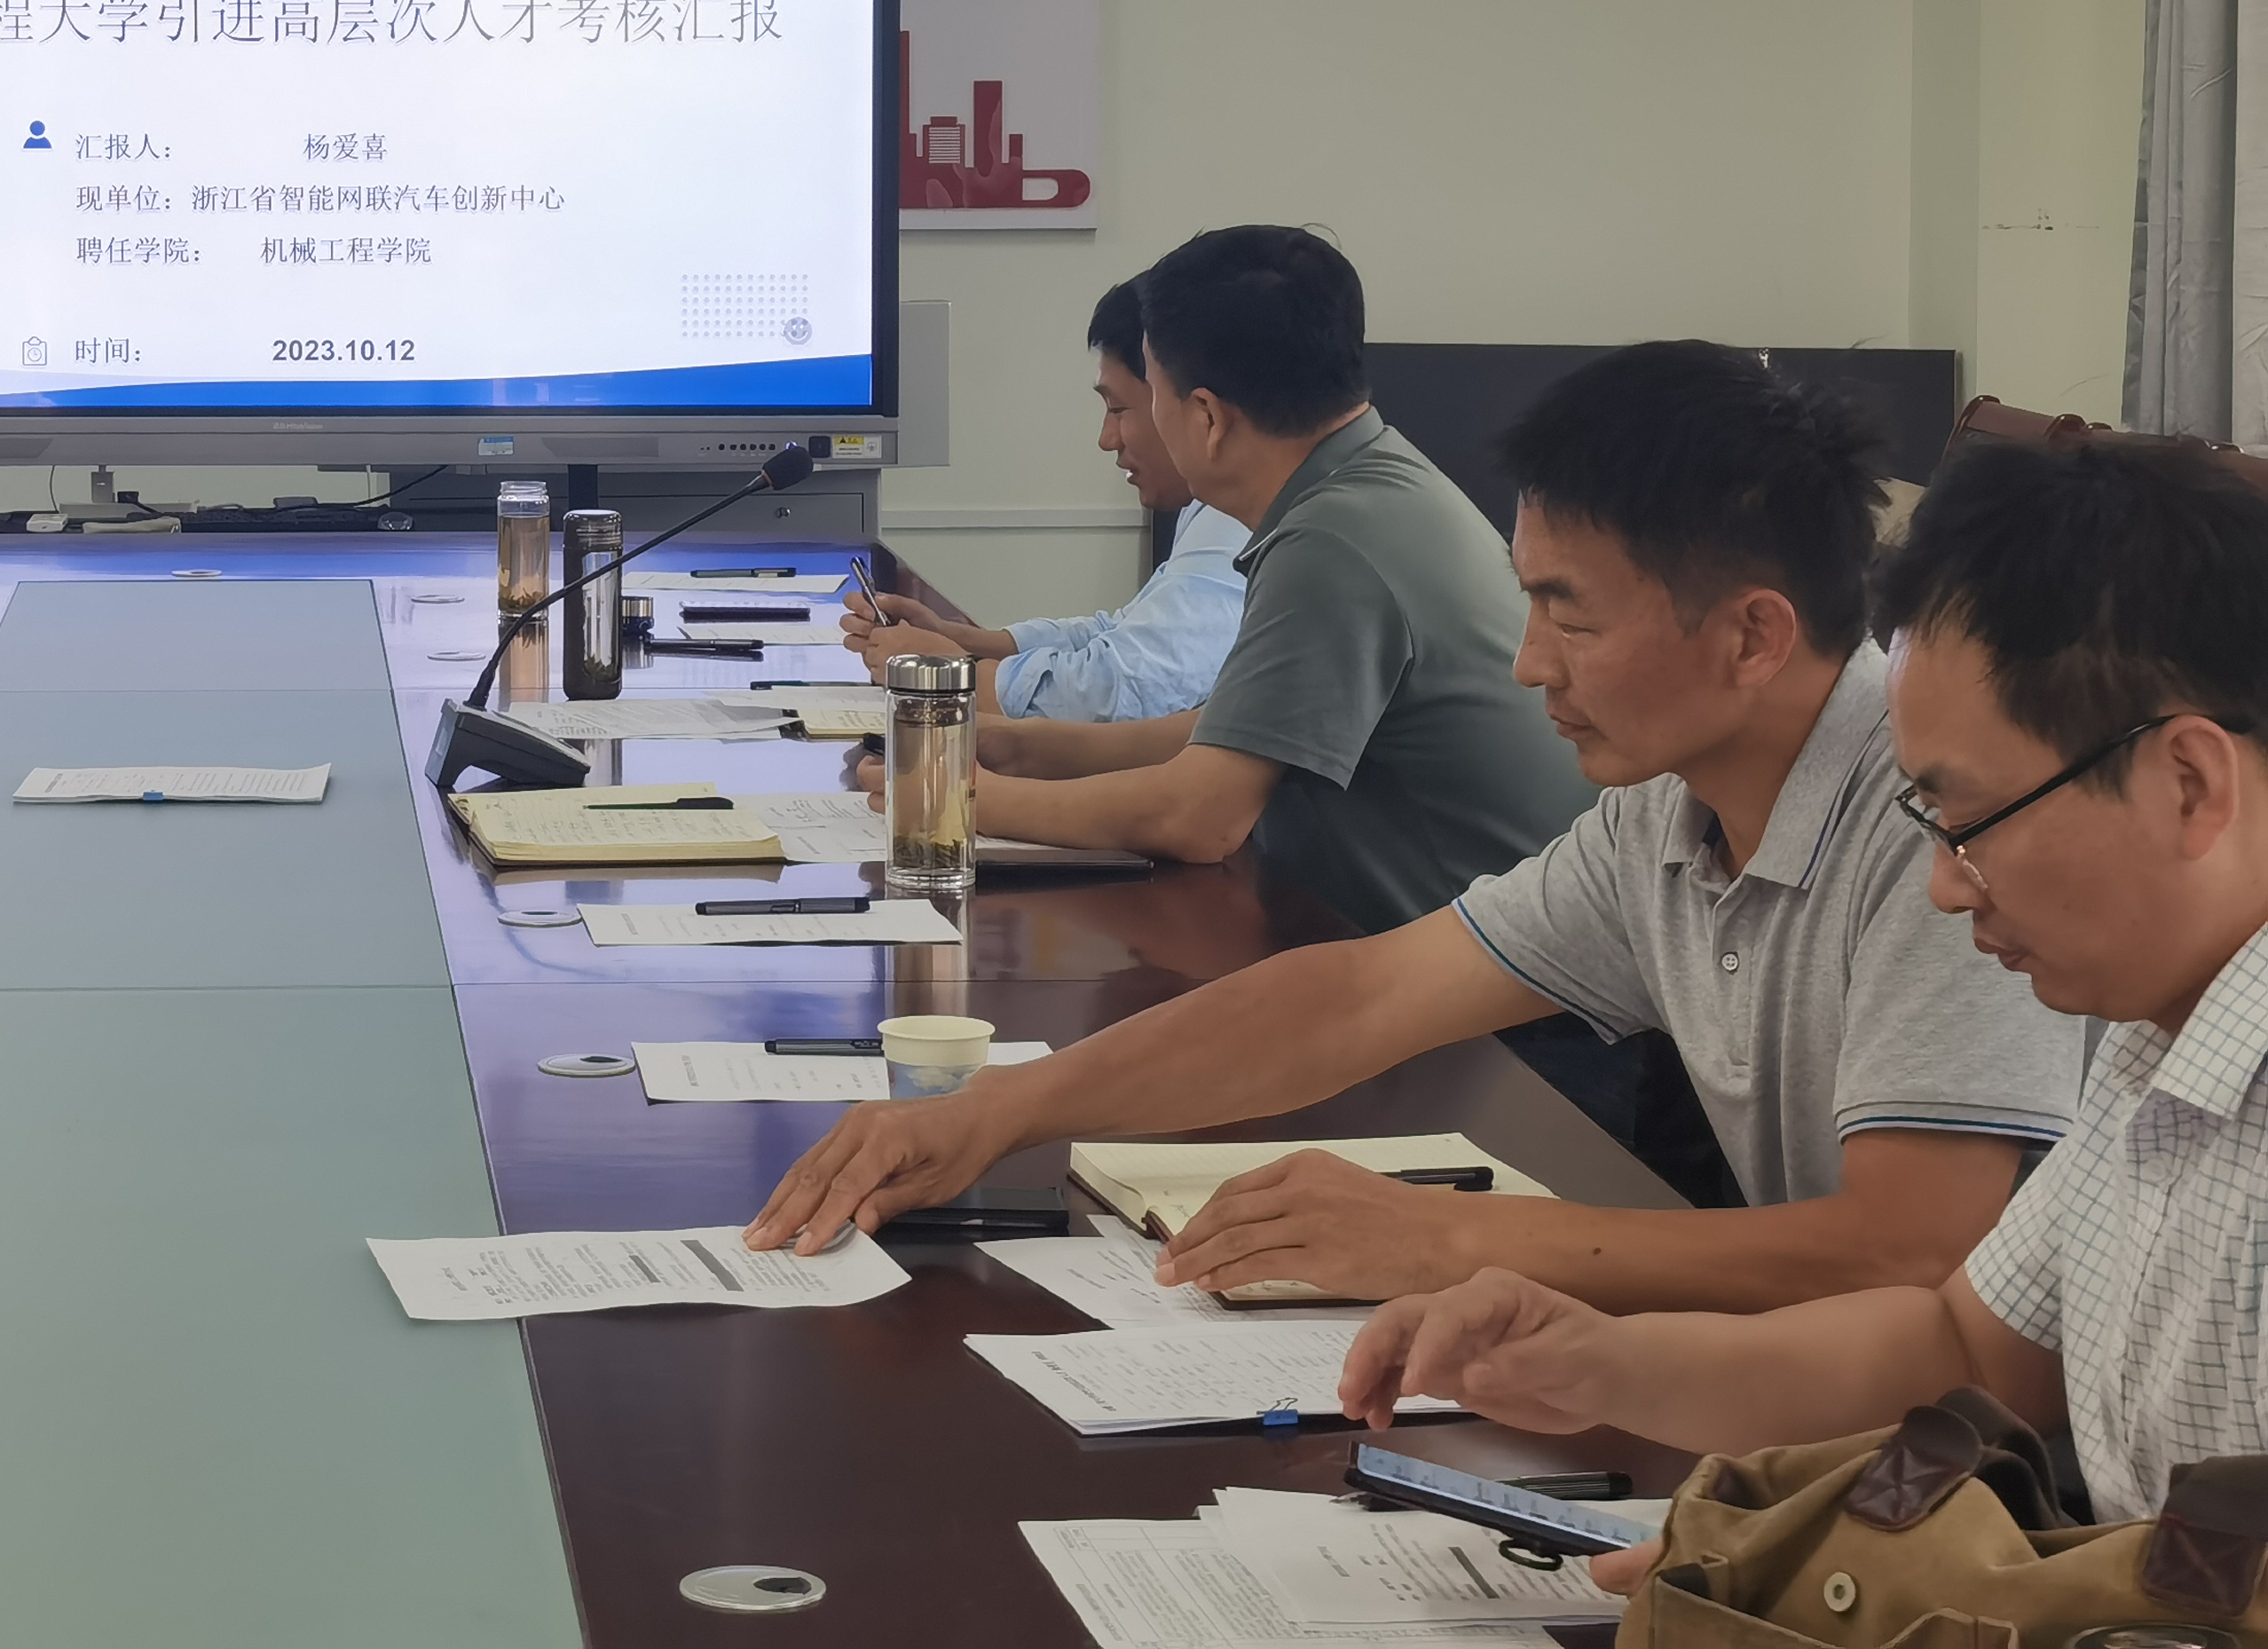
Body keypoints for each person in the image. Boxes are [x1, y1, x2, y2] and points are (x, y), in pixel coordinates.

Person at [750, 344, 2082, 1304]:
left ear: (1752, 636)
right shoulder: (1664, 812)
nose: (1528, 664)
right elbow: (1359, 997)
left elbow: (1913, 1251)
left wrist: (1453, 1243)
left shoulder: (1941, 820)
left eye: (1570, 615)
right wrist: (998, 1112)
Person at [1340, 437, 2268, 1549]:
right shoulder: (2151, 1046)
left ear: (2187, 783)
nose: (1943, 885)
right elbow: (1966, 1354)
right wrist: (1604, 1363)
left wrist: (1916, 1590)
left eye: (1972, 821)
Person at [880, 226, 1592, 930]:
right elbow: (1242, 731)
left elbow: (1199, 817)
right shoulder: (1370, 482)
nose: (1111, 435)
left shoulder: (1332, 539)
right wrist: (1025, 746)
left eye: (1146, 399)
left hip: (1486, 983)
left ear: (1207, 417)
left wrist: (946, 799)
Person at [844, 277, 1248, 731]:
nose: (1106, 439)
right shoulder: (1215, 505)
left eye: (1118, 410)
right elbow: (1120, 634)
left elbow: (1125, 690)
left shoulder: (1240, 520)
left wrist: (950, 673)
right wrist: (958, 640)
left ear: (1204, 410)